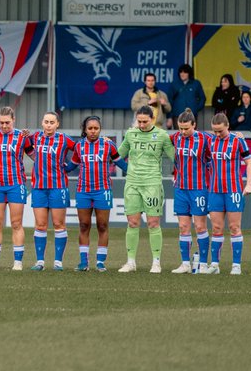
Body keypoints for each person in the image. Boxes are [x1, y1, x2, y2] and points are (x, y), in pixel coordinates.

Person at [117, 105, 175, 273]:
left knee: (153, 223)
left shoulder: (162, 136)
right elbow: (118, 155)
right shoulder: (131, 134)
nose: (141, 125)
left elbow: (175, 157)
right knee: (132, 222)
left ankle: (156, 262)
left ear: (153, 119)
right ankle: (130, 262)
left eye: (145, 122)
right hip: (132, 183)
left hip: (152, 184)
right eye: (139, 121)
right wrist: (105, 144)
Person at [70, 115, 123, 272]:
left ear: (100, 129)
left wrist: (134, 171)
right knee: (84, 225)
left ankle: (100, 262)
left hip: (103, 190)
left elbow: (120, 162)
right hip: (83, 191)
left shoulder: (108, 145)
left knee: (102, 225)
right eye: (90, 128)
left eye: (96, 128)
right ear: (85, 130)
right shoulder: (79, 146)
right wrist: (57, 168)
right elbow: (71, 166)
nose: (93, 131)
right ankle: (83, 262)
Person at [205, 112, 251, 275]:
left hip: (233, 190)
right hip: (215, 191)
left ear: (228, 126)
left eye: (220, 131)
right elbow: (192, 133)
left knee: (234, 227)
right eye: (215, 131)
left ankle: (236, 265)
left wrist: (248, 184)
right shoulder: (210, 140)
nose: (217, 134)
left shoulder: (238, 140)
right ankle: (215, 265)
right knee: (216, 228)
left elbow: (249, 163)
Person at [26, 111, 74, 271]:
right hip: (39, 187)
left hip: (58, 187)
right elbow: (25, 145)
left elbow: (81, 149)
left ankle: (58, 262)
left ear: (57, 124)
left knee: (59, 224)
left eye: (52, 122)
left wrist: (70, 166)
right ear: (42, 123)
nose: (48, 125)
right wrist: (33, 155)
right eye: (46, 122)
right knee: (40, 225)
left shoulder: (64, 139)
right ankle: (40, 262)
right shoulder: (35, 137)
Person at [0, 107, 30, 271]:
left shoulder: (22, 137)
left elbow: (35, 155)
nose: (4, 126)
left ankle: (17, 262)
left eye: (7, 123)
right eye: (1, 123)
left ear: (13, 120)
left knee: (16, 224)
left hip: (16, 184)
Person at [169, 109, 213, 274]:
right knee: (183, 226)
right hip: (181, 188)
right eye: (180, 128)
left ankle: (203, 263)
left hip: (199, 188)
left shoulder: (205, 138)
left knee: (200, 226)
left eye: (186, 128)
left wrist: (238, 135)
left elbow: (223, 139)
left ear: (194, 125)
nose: (183, 131)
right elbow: (158, 139)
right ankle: (185, 264)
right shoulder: (175, 137)